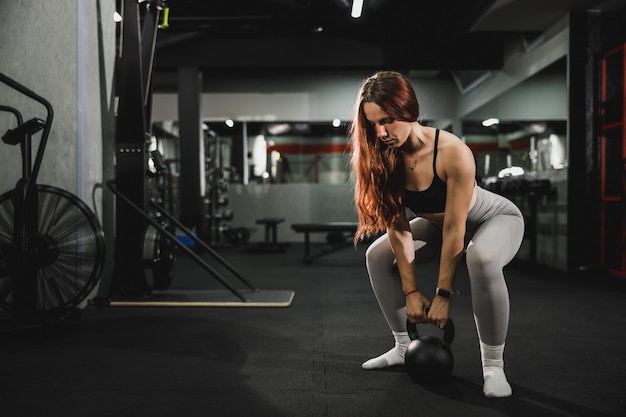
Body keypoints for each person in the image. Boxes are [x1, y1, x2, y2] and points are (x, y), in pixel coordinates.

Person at [349, 71, 524, 398]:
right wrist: (412, 290)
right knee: (377, 255)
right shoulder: (385, 157)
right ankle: (403, 346)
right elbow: (398, 227)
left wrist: (443, 296)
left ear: (409, 111)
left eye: (387, 120)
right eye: (373, 124)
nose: (381, 132)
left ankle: (494, 367)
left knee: (481, 257)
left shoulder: (451, 151)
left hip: (493, 219)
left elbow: (458, 229)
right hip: (441, 226)